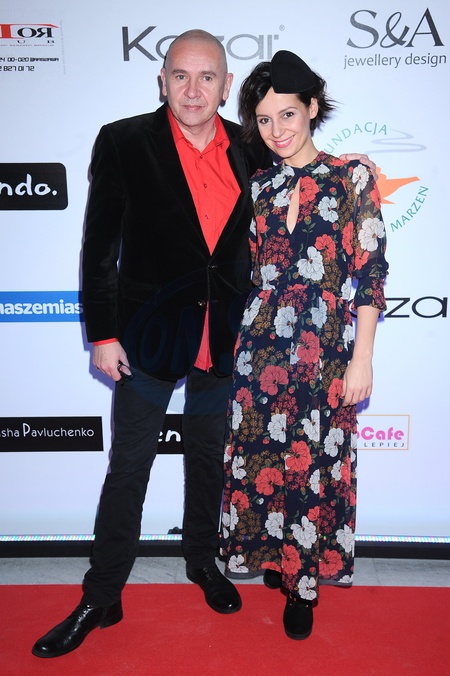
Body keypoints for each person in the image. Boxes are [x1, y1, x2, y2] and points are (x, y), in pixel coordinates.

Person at [32, 31, 378, 658]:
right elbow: (99, 246)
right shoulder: (123, 141)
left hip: (230, 342)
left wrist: (348, 170)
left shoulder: (252, 149)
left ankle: (202, 562)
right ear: (162, 80)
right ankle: (101, 593)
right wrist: (103, 333)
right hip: (148, 339)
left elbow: (308, 183)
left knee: (210, 462)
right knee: (129, 467)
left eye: (207, 77)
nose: (193, 90)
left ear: (224, 85)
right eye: (180, 76)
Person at [220, 50, 388, 641]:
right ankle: (277, 557)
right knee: (265, 458)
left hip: (327, 350)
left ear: (313, 107)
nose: (277, 131)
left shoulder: (351, 178)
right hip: (260, 347)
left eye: (287, 114)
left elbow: (370, 274)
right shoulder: (258, 185)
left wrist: (362, 358)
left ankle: (303, 585)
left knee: (313, 462)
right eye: (265, 120)